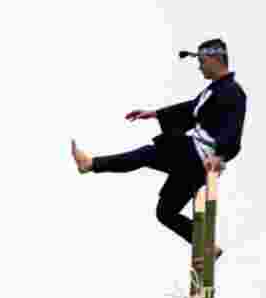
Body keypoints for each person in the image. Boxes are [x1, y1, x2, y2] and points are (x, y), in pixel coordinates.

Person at [71, 38, 247, 268]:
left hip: (198, 156)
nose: (199, 66)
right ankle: (206, 246)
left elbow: (233, 132)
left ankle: (91, 164)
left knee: (148, 153)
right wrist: (153, 114)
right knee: (165, 212)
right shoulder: (213, 91)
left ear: (216, 58)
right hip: (193, 162)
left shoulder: (233, 91)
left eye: (202, 61)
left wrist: (219, 156)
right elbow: (188, 110)